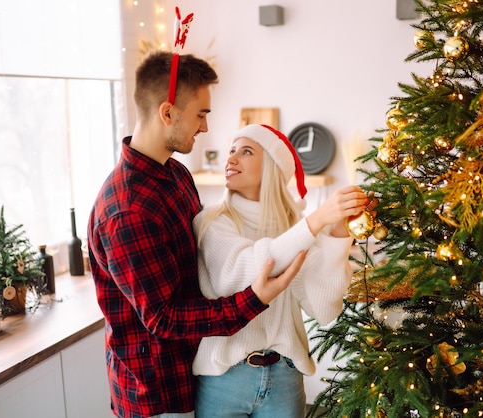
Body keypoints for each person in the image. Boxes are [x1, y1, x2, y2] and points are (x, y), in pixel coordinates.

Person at [87, 51, 306, 418]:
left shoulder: (176, 174)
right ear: (167, 112)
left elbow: (203, 267)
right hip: (156, 394)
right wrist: (254, 298)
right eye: (201, 114)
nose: (205, 127)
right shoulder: (127, 211)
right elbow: (165, 318)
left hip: (194, 376)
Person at [192, 124, 371, 417]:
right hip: (225, 379)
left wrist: (338, 234)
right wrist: (316, 221)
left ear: (274, 167)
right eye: (231, 151)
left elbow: (323, 308)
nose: (231, 159)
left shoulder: (294, 228)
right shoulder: (212, 221)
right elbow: (246, 270)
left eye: (246, 151)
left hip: (285, 378)